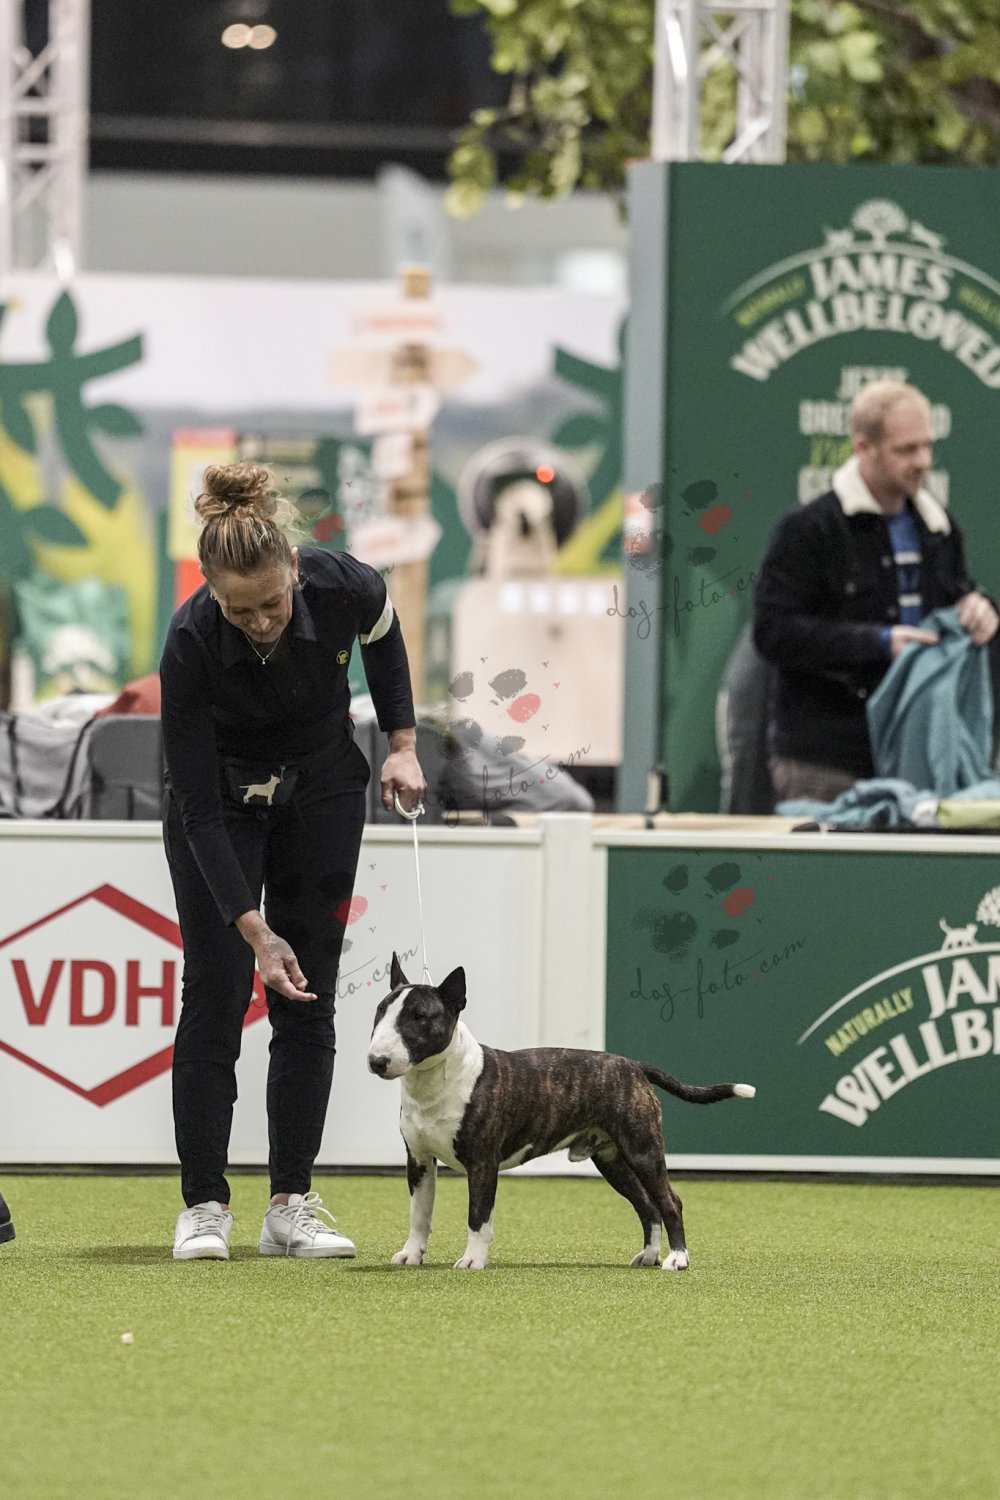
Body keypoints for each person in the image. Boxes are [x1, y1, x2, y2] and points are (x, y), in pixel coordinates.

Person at [160, 462, 424, 1261]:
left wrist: (403, 743)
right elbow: (196, 808)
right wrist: (254, 929)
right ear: (210, 592)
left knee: (308, 996)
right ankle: (204, 1204)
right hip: (221, 803)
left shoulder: (345, 587)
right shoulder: (190, 642)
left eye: (272, 603)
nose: (261, 622)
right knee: (215, 993)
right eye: (240, 610)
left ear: (296, 571)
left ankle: (291, 1203)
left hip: (323, 790)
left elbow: (385, 636)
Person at [754, 380, 999, 803]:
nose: (923, 462)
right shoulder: (808, 530)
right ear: (864, 447)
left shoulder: (940, 530)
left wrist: (981, 610)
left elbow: (961, 595)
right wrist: (881, 643)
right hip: (827, 764)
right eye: (907, 450)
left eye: (927, 446)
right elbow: (773, 632)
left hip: (915, 758)